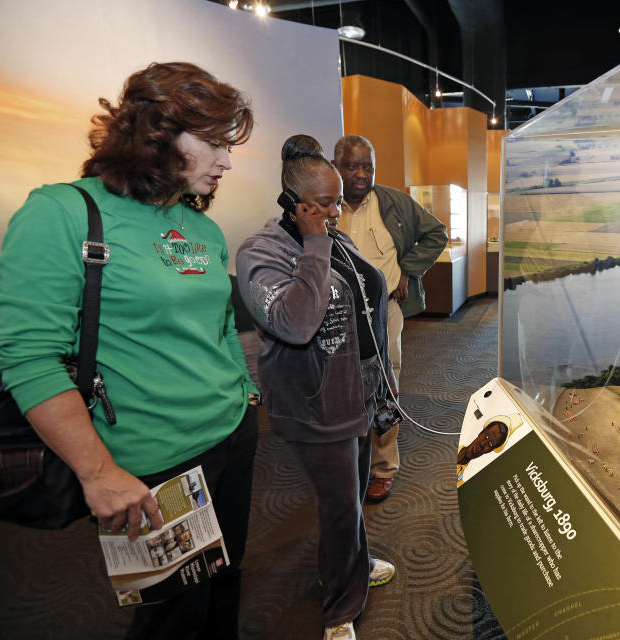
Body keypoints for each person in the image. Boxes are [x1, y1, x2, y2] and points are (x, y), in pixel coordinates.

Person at [0, 62, 259, 639]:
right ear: (155, 135)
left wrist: (245, 390)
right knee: (172, 616)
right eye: (213, 143)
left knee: (225, 586)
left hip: (233, 436)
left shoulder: (201, 228)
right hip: (153, 462)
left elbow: (219, 322)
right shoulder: (61, 213)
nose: (227, 161)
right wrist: (98, 471)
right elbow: (29, 357)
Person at [236, 139, 397, 640]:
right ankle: (339, 609)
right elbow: (296, 321)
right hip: (315, 403)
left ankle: (353, 562)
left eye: (336, 201)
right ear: (292, 199)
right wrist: (313, 242)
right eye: (325, 203)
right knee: (340, 503)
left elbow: (367, 307)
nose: (335, 209)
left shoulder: (335, 238)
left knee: (349, 493)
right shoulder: (261, 253)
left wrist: (383, 384)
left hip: (357, 392)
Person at [331, 134, 448, 502]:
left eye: (368, 166)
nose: (362, 174)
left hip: (384, 313)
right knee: (340, 388)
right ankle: (348, 463)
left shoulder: (393, 202)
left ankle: (383, 468)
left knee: (385, 384)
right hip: (335, 316)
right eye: (353, 166)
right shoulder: (325, 203)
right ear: (337, 166)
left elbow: (436, 234)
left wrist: (407, 271)